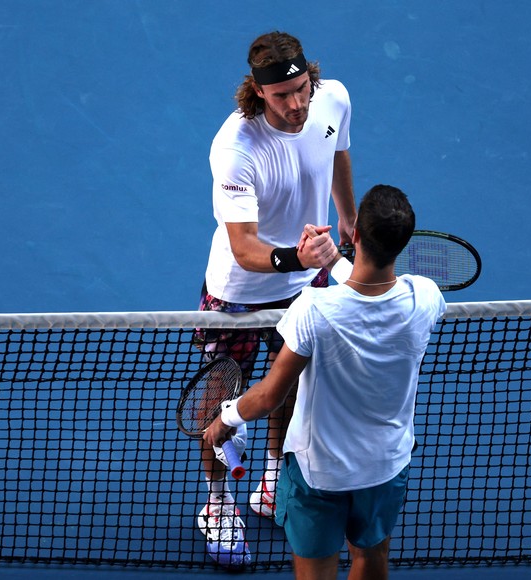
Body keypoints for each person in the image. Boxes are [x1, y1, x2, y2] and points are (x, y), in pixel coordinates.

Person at [204, 184, 447, 580]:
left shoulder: (314, 309)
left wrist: (227, 418)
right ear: (402, 244)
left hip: (321, 474)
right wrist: (332, 261)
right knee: (371, 558)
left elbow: (269, 395)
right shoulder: (426, 297)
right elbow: (371, 291)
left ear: (354, 234)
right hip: (386, 465)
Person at [193, 30, 357, 566]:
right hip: (238, 295)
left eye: (303, 89)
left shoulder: (332, 97)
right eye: (283, 97)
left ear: (311, 77)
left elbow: (337, 151)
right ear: (259, 92)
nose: (298, 106)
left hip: (303, 286)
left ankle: (270, 476)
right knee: (223, 398)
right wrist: (299, 258)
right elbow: (243, 248)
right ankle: (218, 502)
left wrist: (348, 217)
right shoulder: (236, 146)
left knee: (290, 385)